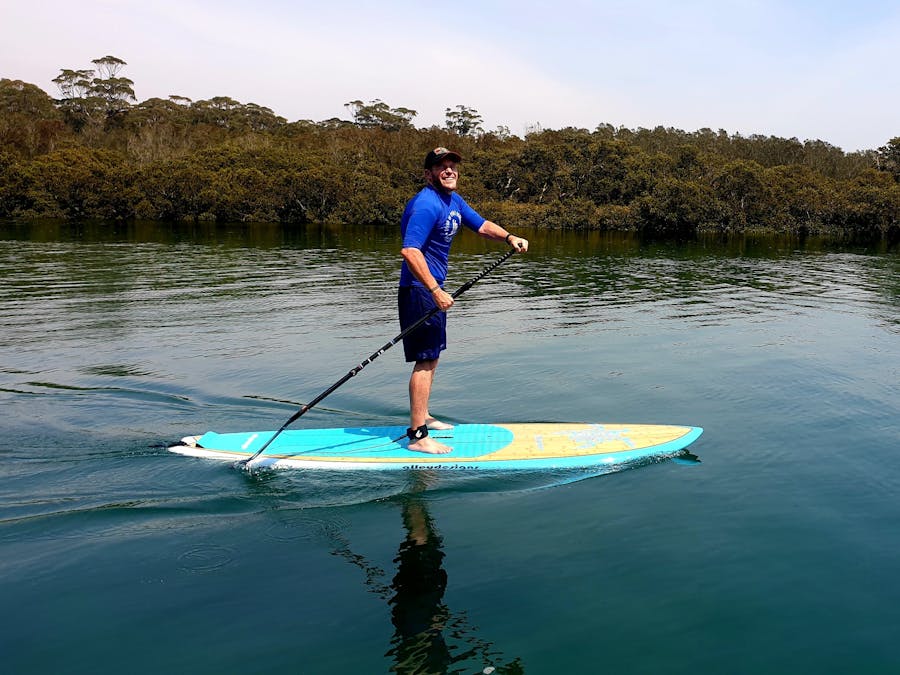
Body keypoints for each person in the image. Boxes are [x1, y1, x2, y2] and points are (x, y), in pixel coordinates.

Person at [399, 147, 528, 454]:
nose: (449, 170)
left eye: (452, 165)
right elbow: (410, 251)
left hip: (431, 291)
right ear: (428, 173)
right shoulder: (426, 204)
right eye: (441, 166)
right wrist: (434, 290)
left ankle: (424, 416)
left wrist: (510, 237)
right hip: (419, 290)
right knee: (425, 360)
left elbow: (482, 226)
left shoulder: (452, 200)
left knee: (432, 358)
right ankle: (418, 436)